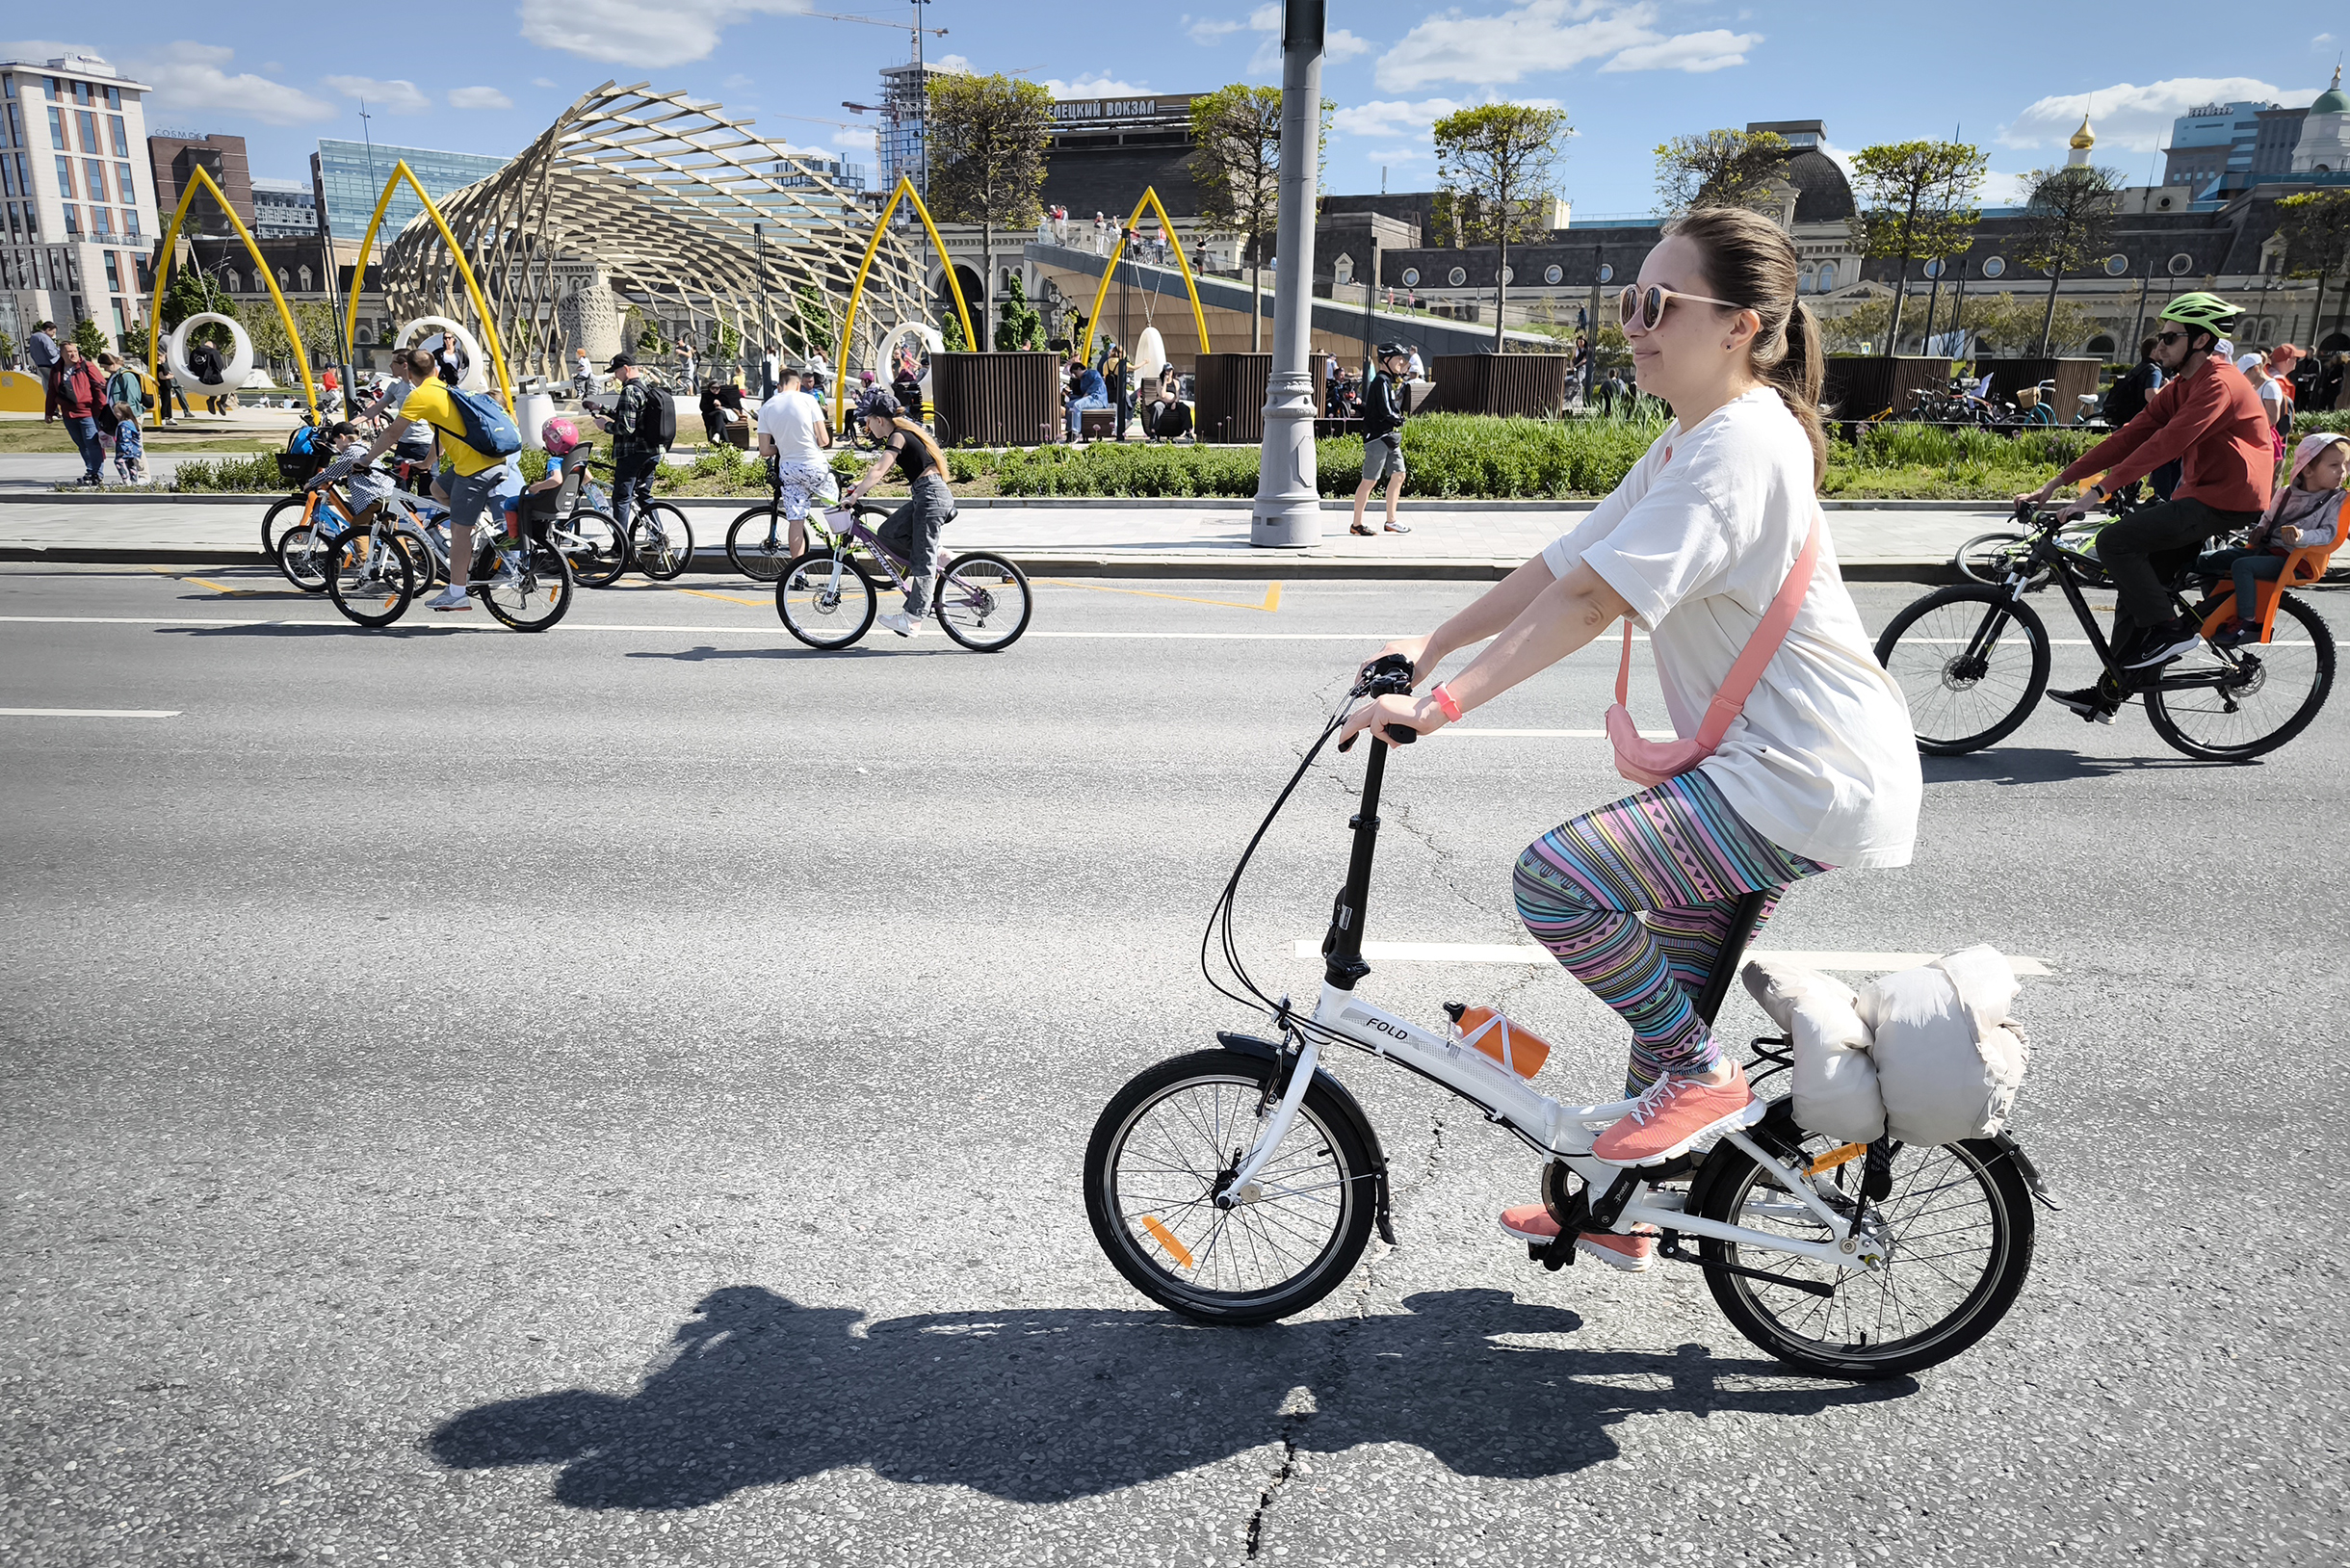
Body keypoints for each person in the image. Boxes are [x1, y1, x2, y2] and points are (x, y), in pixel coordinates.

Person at [1340, 206, 1920, 1268]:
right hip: (1782, 765)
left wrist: (1442, 705)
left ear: (1741, 325)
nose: (1632, 324)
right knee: (1667, 1014)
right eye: (1625, 301)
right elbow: (1566, 561)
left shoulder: (1738, 447)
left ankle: (1697, 1086)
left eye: (1656, 304)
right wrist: (1431, 639)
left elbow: (1591, 602)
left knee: (1558, 883)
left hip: (1801, 771)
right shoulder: (1695, 434)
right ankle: (1618, 1206)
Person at [2019, 293, 2273, 720]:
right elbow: (2130, 436)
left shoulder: (2220, 383)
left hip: (2230, 500)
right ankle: (2110, 693)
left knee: (2116, 540)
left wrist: (2097, 493)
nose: (2159, 346)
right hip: (2200, 494)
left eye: (2170, 338)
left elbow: (2166, 444)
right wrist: (2056, 482)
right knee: (2136, 591)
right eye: (2160, 337)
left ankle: (2171, 630)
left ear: (2199, 341)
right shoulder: (2182, 386)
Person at [345, 345, 524, 612]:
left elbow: (392, 434)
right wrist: (426, 463)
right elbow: (444, 434)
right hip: (487, 462)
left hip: (474, 469)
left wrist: (365, 460)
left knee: (458, 531)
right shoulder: (446, 389)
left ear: (408, 370)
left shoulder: (419, 396)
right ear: (436, 369)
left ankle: (457, 593)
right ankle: (472, 529)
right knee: (438, 487)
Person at [2196, 431, 2346, 647]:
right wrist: (2260, 530)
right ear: (2308, 470)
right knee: (2205, 560)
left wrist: (2301, 536)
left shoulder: (2336, 500)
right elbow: (2268, 519)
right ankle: (2215, 606)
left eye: (2345, 465)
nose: (2342, 472)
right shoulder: (2285, 493)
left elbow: (2330, 534)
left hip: (2296, 561)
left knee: (2242, 567)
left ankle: (2247, 622)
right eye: (2334, 465)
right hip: (2267, 550)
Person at [841, 390, 953, 638]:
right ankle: (939, 554)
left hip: (930, 496)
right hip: (926, 495)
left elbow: (880, 468)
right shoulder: (904, 433)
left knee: (921, 561)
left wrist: (854, 497)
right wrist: (858, 487)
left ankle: (912, 619)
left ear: (879, 420)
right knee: (888, 532)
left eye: (866, 421)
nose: (866, 428)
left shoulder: (899, 436)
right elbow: (881, 472)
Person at [754, 364, 836, 557]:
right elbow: (824, 440)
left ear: (779, 386)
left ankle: (798, 573)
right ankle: (847, 559)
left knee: (796, 520)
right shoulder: (808, 400)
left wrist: (784, 446)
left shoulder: (766, 408)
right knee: (836, 510)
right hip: (813, 465)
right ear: (798, 385)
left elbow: (765, 450)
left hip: (789, 469)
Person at [588, 353, 663, 544]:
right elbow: (630, 415)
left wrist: (605, 426)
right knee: (644, 496)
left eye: (616, 372)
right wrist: (602, 408)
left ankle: (620, 546)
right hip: (651, 452)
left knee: (621, 499)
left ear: (626, 369)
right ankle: (659, 536)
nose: (615, 376)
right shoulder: (645, 388)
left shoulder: (629, 390)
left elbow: (626, 427)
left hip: (632, 454)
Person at [1351, 343, 1413, 536]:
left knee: (1399, 474)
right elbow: (1386, 410)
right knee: (1369, 481)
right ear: (1387, 360)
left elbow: (1382, 408)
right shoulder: (1381, 381)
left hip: (1389, 438)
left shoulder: (1387, 381)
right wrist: (1398, 418)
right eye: (1397, 358)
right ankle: (1357, 524)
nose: (1401, 362)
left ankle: (1391, 520)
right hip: (1378, 438)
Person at [44, 342, 110, 486]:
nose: (73, 354)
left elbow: (99, 388)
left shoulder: (86, 366)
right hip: (68, 414)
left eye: (75, 351)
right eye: (69, 352)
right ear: (61, 354)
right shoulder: (56, 370)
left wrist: (102, 411)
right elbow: (52, 391)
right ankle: (90, 470)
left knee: (92, 443)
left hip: (87, 413)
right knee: (81, 444)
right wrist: (49, 412)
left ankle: (97, 474)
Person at [99, 352, 146, 483]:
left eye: (105, 367)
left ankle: (143, 475)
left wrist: (129, 416)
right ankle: (135, 476)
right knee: (129, 447)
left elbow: (132, 397)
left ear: (112, 364)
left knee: (136, 446)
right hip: (120, 416)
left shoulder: (126, 376)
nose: (105, 370)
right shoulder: (114, 376)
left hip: (130, 416)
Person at [2235, 353, 2287, 463]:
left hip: (2265, 439)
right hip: (2257, 437)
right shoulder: (2255, 387)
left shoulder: (2270, 387)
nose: (2243, 378)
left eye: (2245, 374)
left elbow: (2272, 418)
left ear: (2256, 369)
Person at [1065, 353, 1108, 440]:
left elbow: (1099, 382)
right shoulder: (1082, 380)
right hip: (1089, 399)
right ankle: (1069, 430)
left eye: (1075, 373)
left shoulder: (1092, 373)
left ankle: (1075, 432)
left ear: (1080, 369)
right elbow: (1082, 396)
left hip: (1097, 399)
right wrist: (1070, 395)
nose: (1075, 375)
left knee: (1077, 405)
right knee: (1069, 405)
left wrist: (1088, 393)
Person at [1142, 377, 1192, 441]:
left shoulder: (1176, 382)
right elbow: (1162, 395)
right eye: (1166, 371)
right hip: (1162, 401)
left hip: (1173, 402)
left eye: (1170, 371)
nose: (1168, 373)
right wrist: (1165, 382)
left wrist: (1175, 402)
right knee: (1157, 407)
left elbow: (1177, 396)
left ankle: (1188, 432)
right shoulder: (1159, 382)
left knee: (1185, 408)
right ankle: (1153, 432)